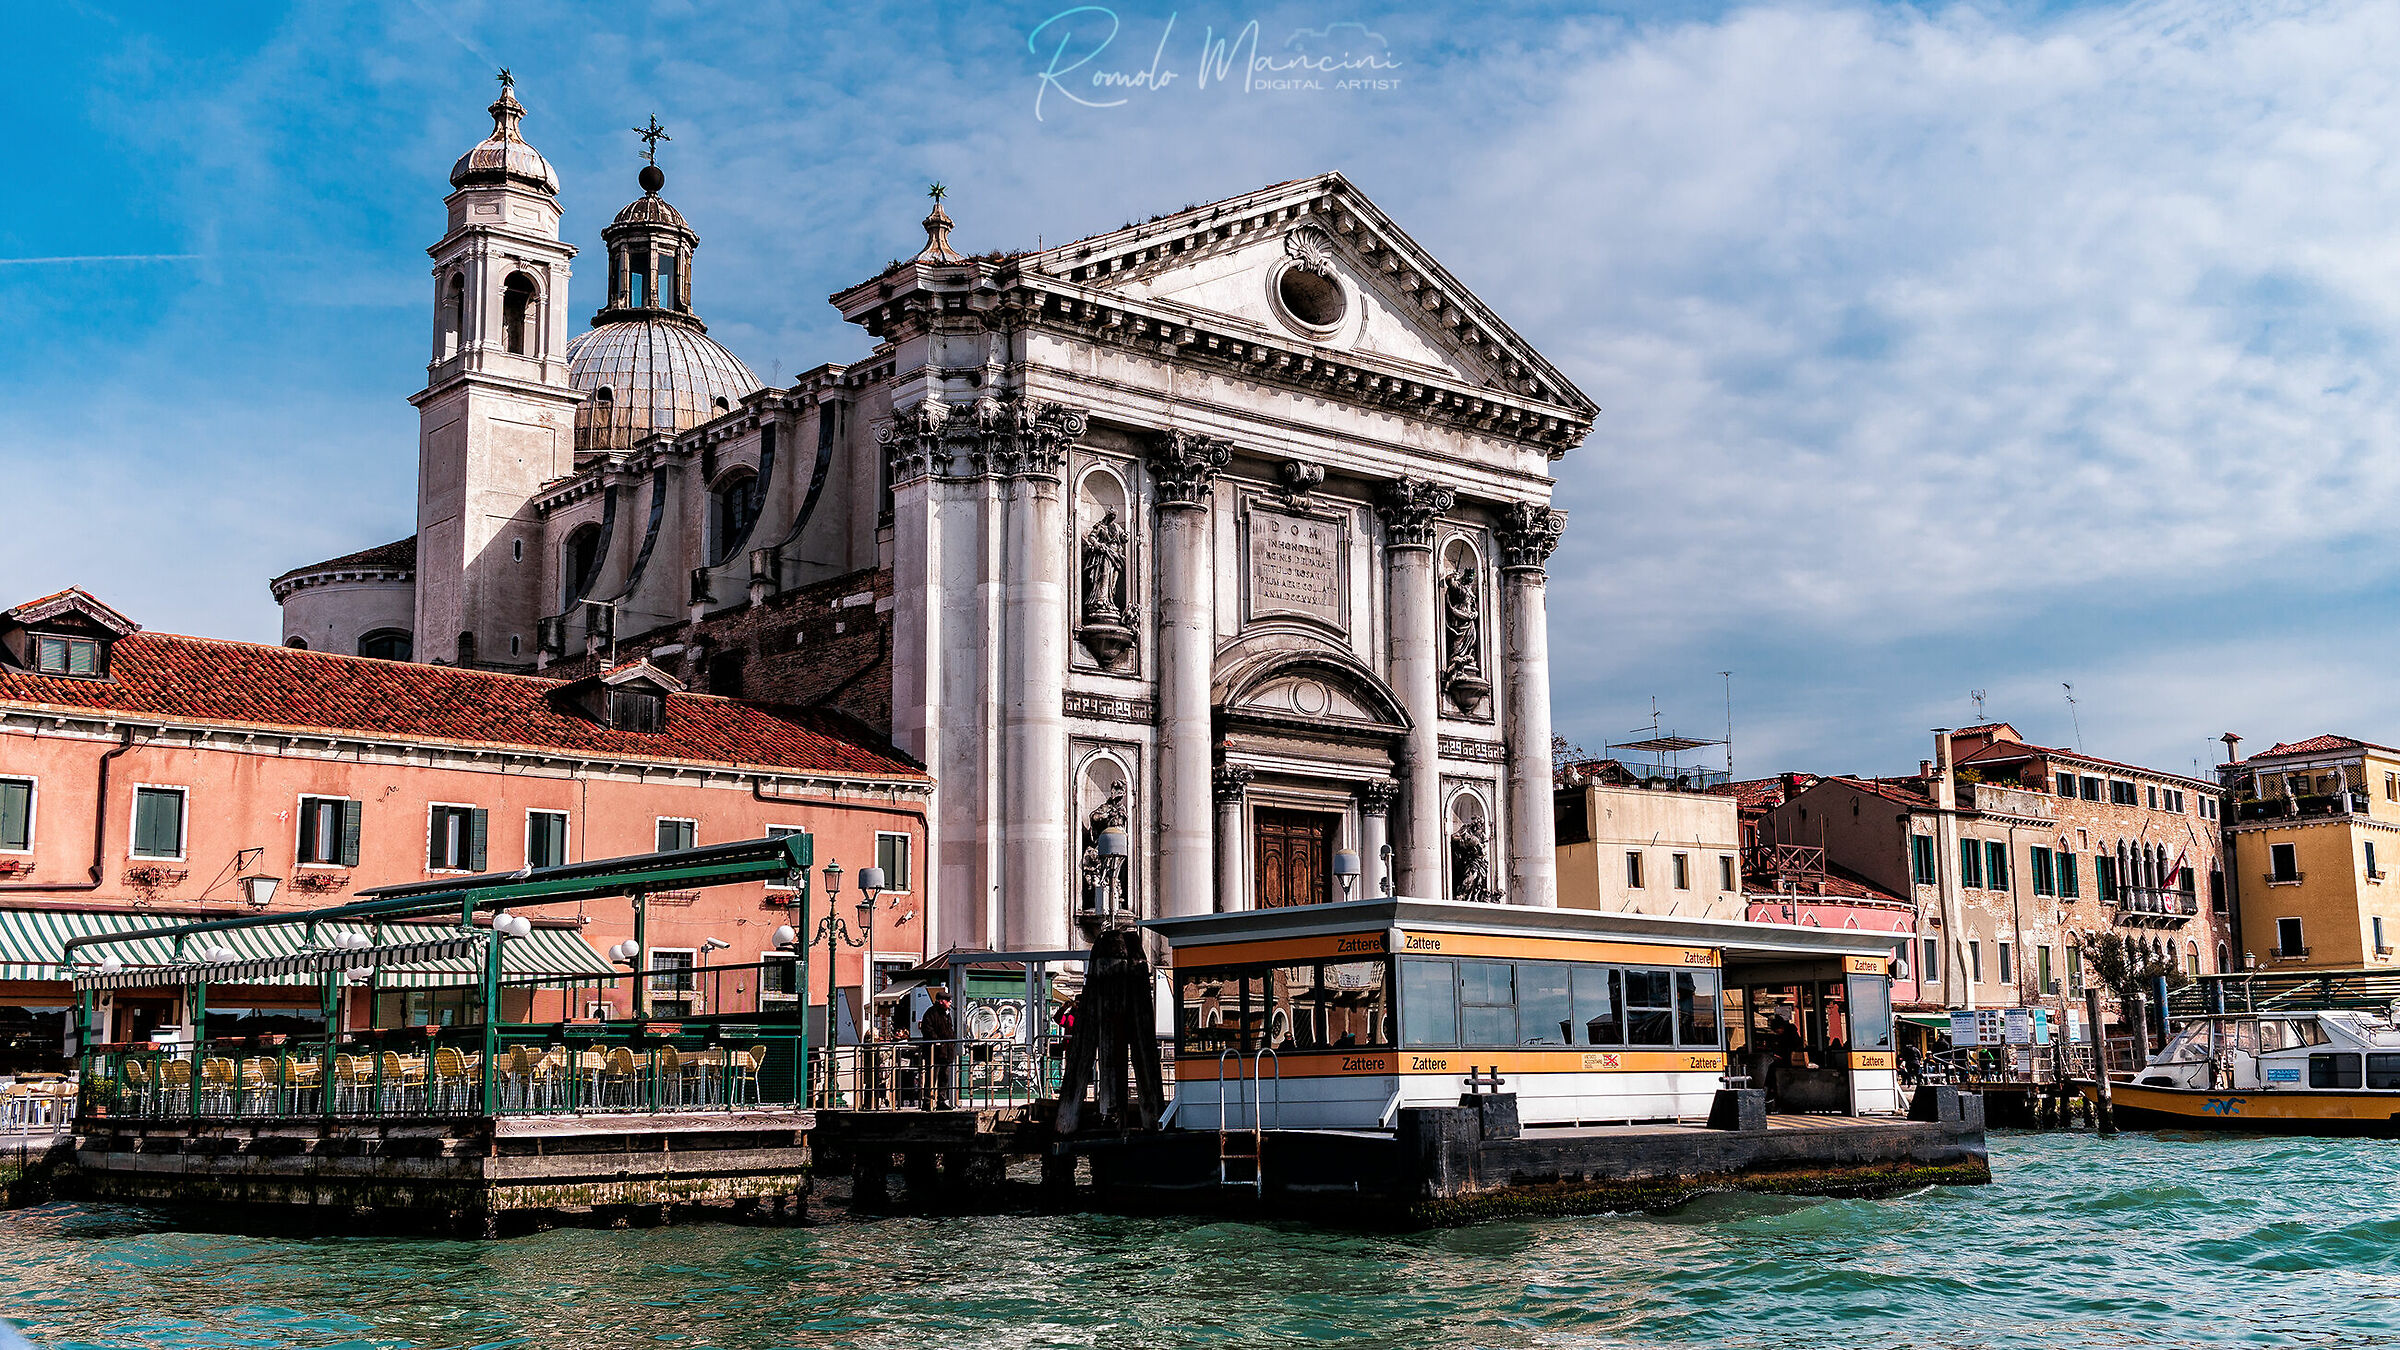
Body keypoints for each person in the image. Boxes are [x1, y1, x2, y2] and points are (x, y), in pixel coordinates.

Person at [920, 987, 957, 1109]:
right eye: (948, 1000)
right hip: (935, 1052)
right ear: (941, 1001)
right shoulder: (931, 1013)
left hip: (946, 1051)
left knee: (944, 1077)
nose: (950, 1003)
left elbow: (949, 1030)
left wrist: (951, 1042)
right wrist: (938, 1042)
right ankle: (927, 1101)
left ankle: (941, 1100)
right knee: (932, 1076)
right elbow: (928, 1029)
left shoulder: (945, 1014)